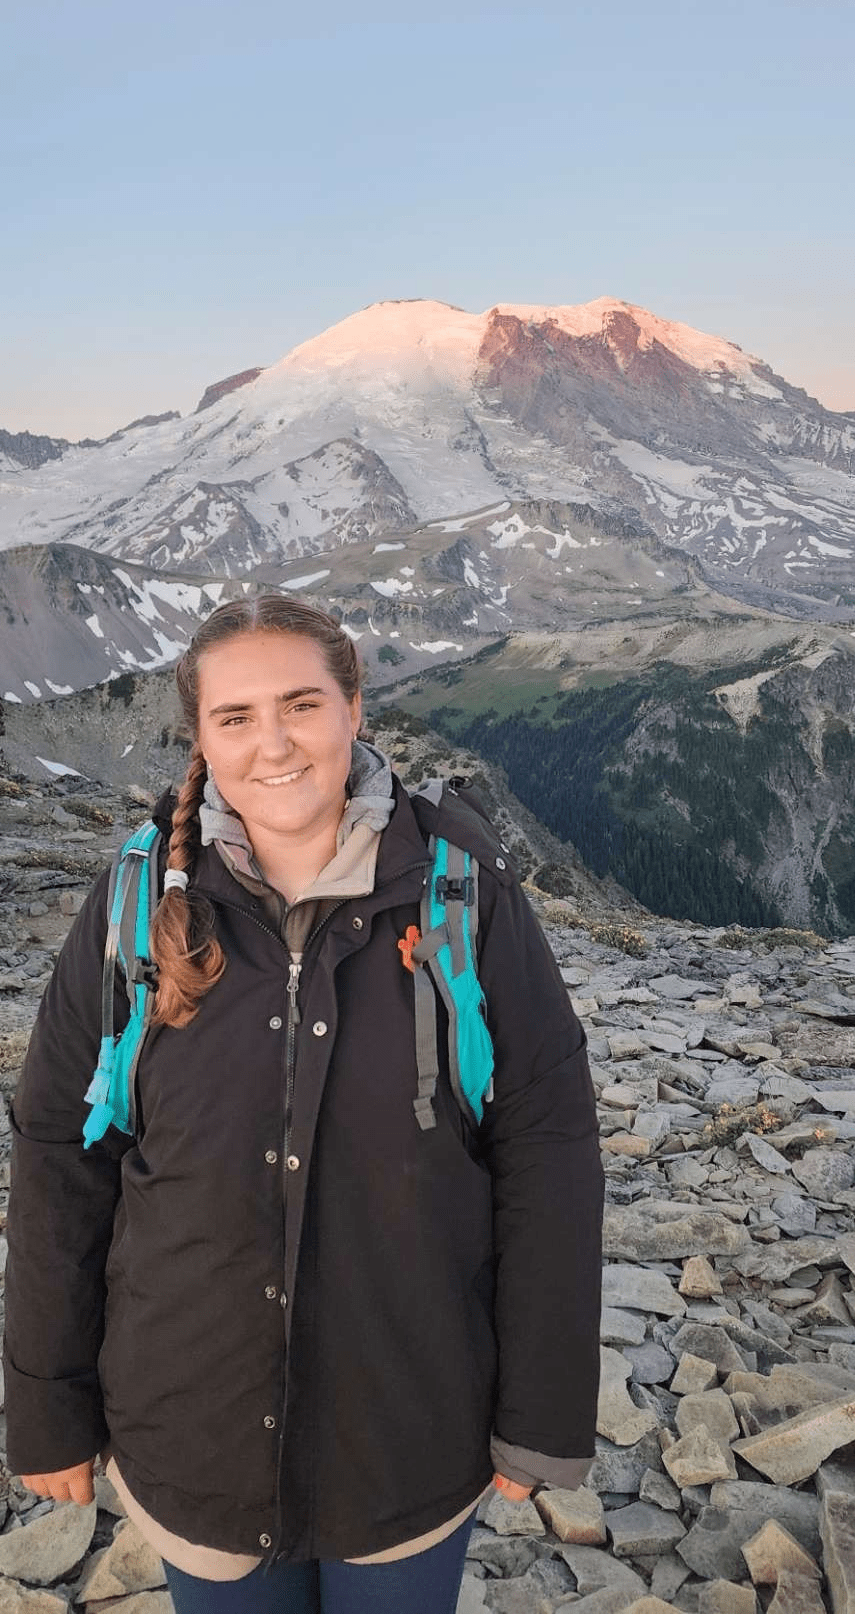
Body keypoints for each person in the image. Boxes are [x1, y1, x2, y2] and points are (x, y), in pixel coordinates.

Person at [3, 595, 604, 1613]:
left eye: (302, 704)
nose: (273, 743)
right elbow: (63, 1150)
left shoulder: (462, 891)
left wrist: (542, 1411)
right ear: (199, 735)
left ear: (354, 706)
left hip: (408, 1436)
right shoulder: (136, 903)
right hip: (194, 1435)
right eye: (235, 716)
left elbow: (548, 1147)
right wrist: (47, 1404)